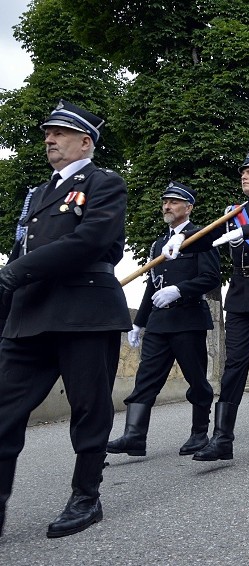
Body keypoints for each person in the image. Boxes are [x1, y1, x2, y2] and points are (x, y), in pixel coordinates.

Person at [0, 101, 131, 538]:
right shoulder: (37, 193)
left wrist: (14, 273)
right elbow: (22, 250)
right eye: (46, 134)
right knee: (4, 409)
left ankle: (86, 496)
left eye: (58, 133)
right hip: (30, 315)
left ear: (85, 141)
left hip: (84, 313)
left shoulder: (104, 183)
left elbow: (90, 240)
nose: (49, 140)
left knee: (89, 408)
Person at [163, 151, 249, 462]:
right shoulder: (235, 212)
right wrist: (180, 239)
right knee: (233, 367)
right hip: (240, 297)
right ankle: (222, 438)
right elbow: (210, 236)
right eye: (243, 171)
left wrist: (248, 230)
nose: (244, 175)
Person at [107, 182, 220, 458]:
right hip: (159, 323)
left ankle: (198, 432)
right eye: (165, 202)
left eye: (174, 202)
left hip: (188, 318)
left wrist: (179, 290)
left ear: (188, 207)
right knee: (145, 378)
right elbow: (152, 284)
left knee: (196, 378)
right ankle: (134, 435)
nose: (167, 206)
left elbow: (210, 277)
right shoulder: (159, 243)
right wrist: (139, 321)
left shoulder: (199, 237)